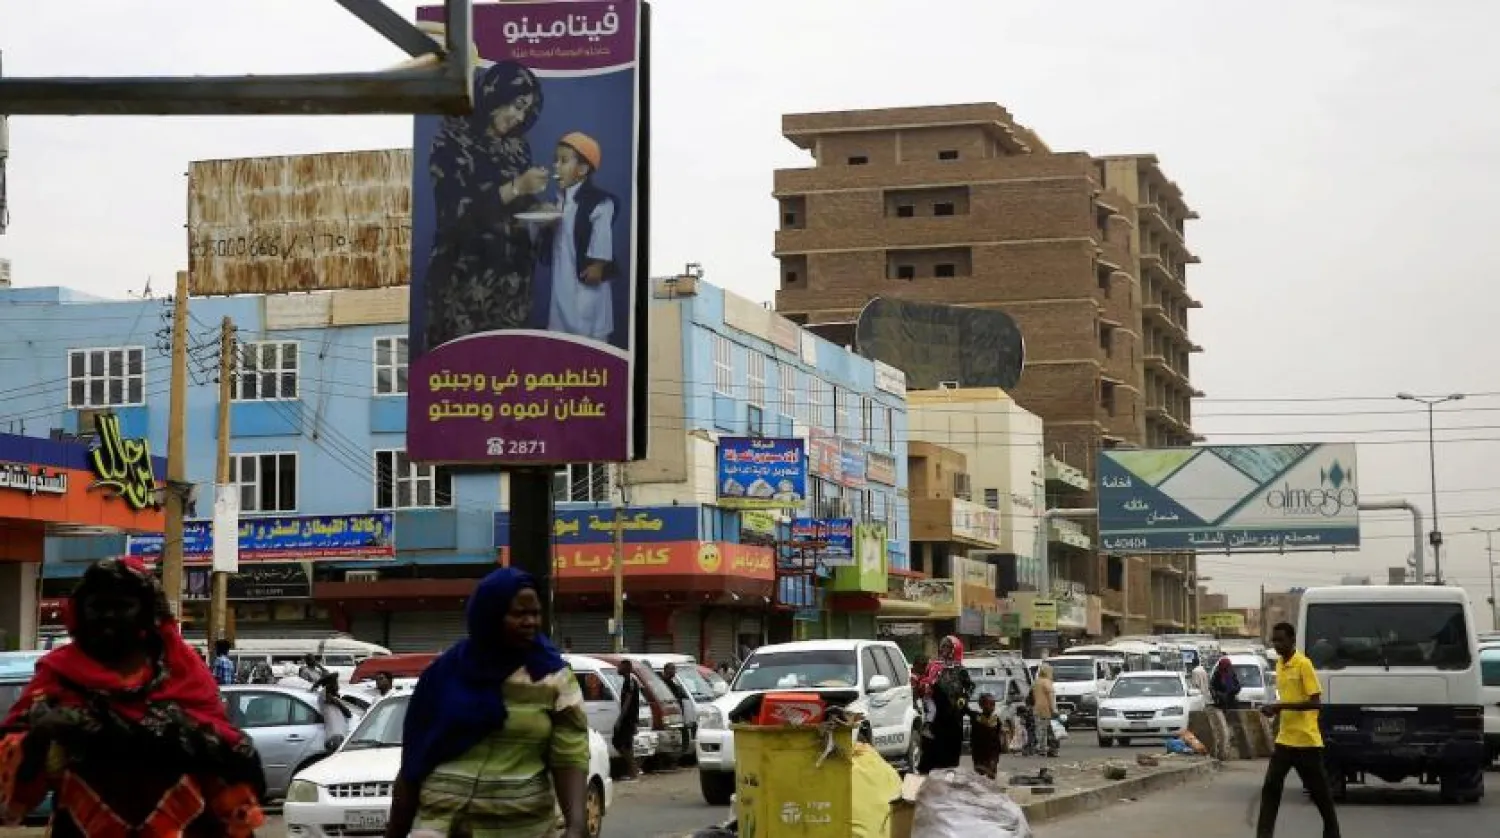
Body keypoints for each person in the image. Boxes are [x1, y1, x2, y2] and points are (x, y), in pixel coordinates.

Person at [0, 557, 266, 837]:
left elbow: (231, 756)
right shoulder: (58, 674)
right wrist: (41, 735)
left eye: (122, 606)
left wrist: (181, 735)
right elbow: (13, 790)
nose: (108, 616)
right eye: (97, 606)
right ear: (79, 612)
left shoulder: (182, 669)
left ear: (147, 612)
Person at [384, 567, 589, 838]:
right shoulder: (443, 674)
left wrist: (576, 826)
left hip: (520, 828)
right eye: (519, 614)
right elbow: (414, 761)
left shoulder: (553, 678)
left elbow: (570, 754)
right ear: (489, 616)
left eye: (536, 613)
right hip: (438, 825)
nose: (530, 622)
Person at [421, 61, 549, 352]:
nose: (520, 117)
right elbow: (455, 215)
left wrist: (540, 209)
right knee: (461, 370)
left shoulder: (518, 148)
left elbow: (517, 205)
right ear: (496, 95)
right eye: (517, 105)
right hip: (462, 289)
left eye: (526, 111)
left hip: (512, 292)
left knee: (508, 372)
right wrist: (517, 186)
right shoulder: (451, 140)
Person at [1256, 622, 1340, 838]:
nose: (1277, 644)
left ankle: (1332, 831)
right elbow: (1287, 699)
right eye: (1274, 640)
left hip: (1306, 741)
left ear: (1292, 640)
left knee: (1320, 792)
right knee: (1271, 787)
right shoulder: (1280, 665)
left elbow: (1315, 703)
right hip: (1285, 740)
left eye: (1281, 640)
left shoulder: (1303, 664)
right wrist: (1275, 711)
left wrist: (1281, 706)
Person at [540, 132, 620, 343]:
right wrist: (545, 221)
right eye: (555, 160)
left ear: (583, 169)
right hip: (562, 282)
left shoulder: (599, 202)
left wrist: (599, 264)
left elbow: (602, 234)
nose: (556, 166)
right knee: (560, 332)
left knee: (589, 330)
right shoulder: (559, 201)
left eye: (563, 161)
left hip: (586, 281)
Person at [916, 636, 973, 773]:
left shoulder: (960, 670)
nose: (944, 650)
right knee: (931, 755)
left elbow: (970, 687)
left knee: (950, 759)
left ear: (955, 649)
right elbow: (923, 682)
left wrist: (963, 699)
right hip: (936, 719)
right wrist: (923, 689)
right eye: (943, 646)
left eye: (948, 647)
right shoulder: (933, 666)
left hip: (953, 718)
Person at [612, 659, 643, 781]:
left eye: (620, 666)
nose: (618, 668)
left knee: (622, 744)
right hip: (628, 718)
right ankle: (633, 770)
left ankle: (633, 772)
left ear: (626, 668)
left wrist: (620, 719)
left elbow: (627, 702)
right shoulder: (628, 681)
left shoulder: (630, 681)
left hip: (628, 719)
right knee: (623, 744)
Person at [662, 662, 698, 754]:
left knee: (683, 730)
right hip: (671, 712)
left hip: (677, 711)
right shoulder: (663, 682)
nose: (674, 671)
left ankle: (682, 751)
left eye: (674, 669)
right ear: (666, 670)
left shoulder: (672, 682)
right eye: (672, 669)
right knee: (681, 730)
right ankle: (681, 751)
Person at [968, 693, 1004, 779]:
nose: (991, 707)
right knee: (980, 775)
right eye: (988, 704)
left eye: (993, 704)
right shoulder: (977, 717)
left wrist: (1000, 747)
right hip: (979, 752)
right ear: (981, 705)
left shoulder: (996, 720)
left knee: (991, 773)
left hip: (992, 752)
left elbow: (998, 735)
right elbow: (965, 709)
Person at [1030, 663, 1059, 757]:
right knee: (1048, 730)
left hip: (1036, 708)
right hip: (1045, 709)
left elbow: (1032, 696)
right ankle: (1047, 748)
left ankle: (1041, 747)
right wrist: (1054, 709)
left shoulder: (1036, 682)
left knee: (1039, 729)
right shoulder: (1047, 682)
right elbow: (1051, 697)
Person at [319, 679, 355, 746]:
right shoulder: (324, 699)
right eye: (336, 685)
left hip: (340, 736)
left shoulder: (336, 702)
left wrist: (337, 702)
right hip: (333, 736)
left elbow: (349, 714)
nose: (338, 687)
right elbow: (326, 694)